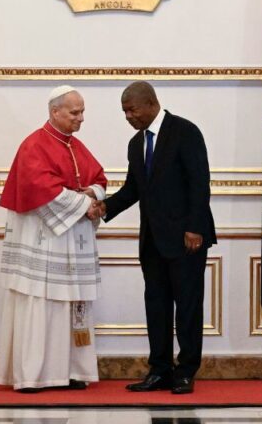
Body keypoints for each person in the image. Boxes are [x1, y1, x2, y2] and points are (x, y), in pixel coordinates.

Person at [91, 81, 215, 394]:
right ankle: (159, 370)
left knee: (187, 307)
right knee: (156, 306)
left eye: (131, 109)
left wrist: (195, 228)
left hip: (187, 239)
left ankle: (186, 371)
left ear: (150, 103)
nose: (128, 116)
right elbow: (135, 188)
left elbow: (200, 182)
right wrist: (106, 207)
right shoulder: (136, 144)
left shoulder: (185, 131)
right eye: (124, 112)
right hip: (153, 242)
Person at [0, 85, 107, 392]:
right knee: (40, 302)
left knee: (71, 304)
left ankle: (71, 371)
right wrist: (86, 204)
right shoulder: (34, 145)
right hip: (43, 242)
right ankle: (33, 375)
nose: (80, 118)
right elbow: (41, 189)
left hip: (71, 240)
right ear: (54, 111)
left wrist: (94, 196)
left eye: (82, 112)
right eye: (74, 112)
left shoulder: (76, 146)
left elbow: (98, 178)